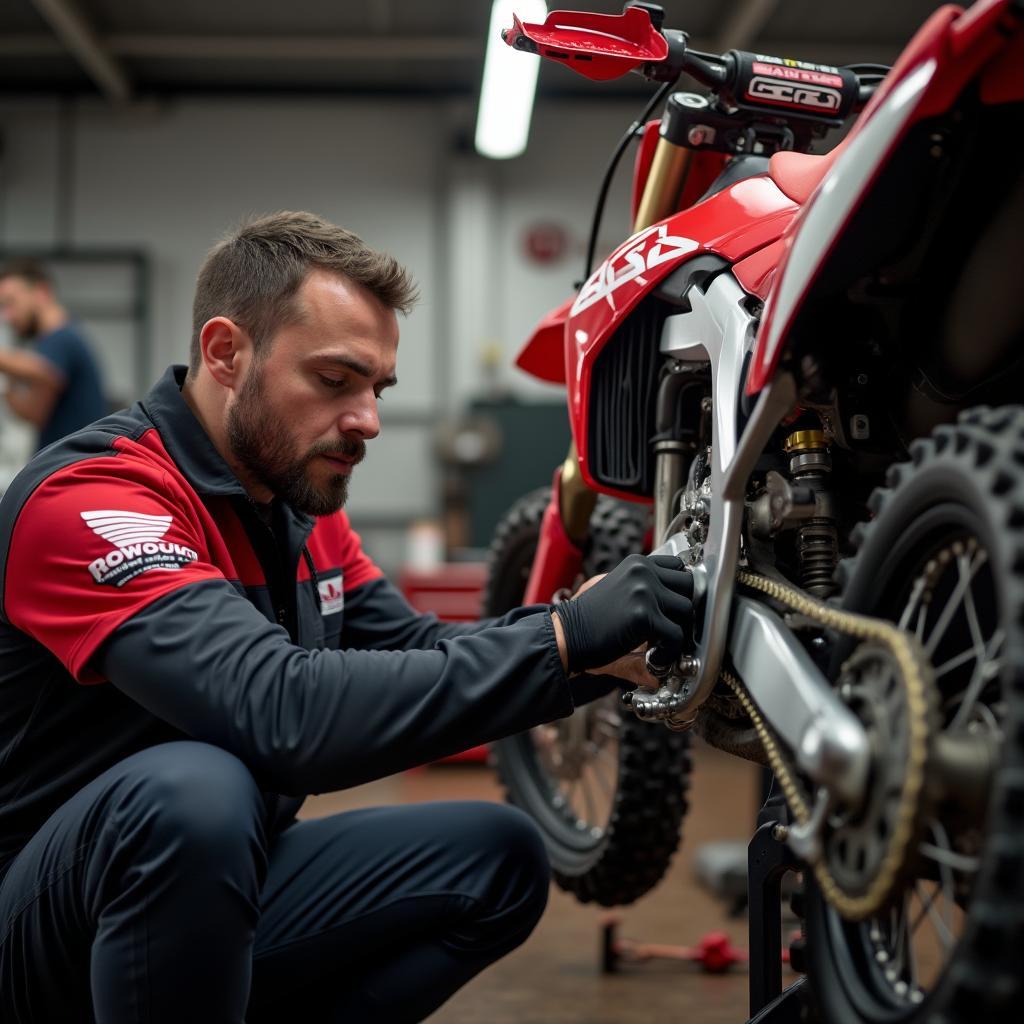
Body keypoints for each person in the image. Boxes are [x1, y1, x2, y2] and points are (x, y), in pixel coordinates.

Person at [0, 211, 694, 1023]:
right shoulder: (95, 500)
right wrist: (564, 639)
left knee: (497, 861)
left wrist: (590, 656)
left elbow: (422, 650)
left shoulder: (298, 505)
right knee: (193, 793)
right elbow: (289, 713)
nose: (367, 419)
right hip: (40, 927)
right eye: (335, 381)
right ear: (227, 353)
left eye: (377, 389)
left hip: (211, 884)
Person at [0, 258, 107, 449]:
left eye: (11, 303)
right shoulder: (48, 343)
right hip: (62, 464)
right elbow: (35, 414)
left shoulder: (62, 337)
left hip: (75, 466)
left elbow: (44, 370)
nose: (8, 316)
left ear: (41, 293)